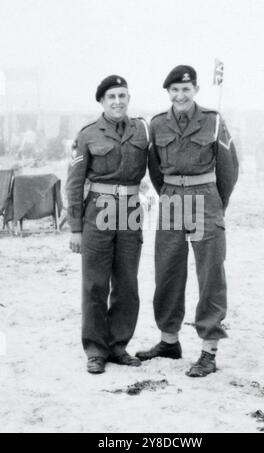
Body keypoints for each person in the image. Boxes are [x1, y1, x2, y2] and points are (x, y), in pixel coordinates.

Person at [136, 65, 239, 377]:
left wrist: (216, 203)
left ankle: (208, 351)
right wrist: (170, 192)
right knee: (167, 268)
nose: (180, 95)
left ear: (195, 90)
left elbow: (229, 169)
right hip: (170, 198)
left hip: (205, 198)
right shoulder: (156, 124)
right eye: (175, 90)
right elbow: (154, 169)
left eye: (186, 89)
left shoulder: (213, 120)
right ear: (168, 92)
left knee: (209, 271)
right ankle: (169, 341)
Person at [66, 75, 148, 374]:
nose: (118, 101)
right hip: (97, 212)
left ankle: (118, 345)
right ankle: (96, 350)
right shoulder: (88, 134)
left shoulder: (141, 130)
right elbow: (74, 184)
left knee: (127, 283)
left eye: (122, 96)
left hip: (130, 211)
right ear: (102, 101)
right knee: (95, 285)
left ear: (128, 99)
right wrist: (75, 228)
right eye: (111, 96)